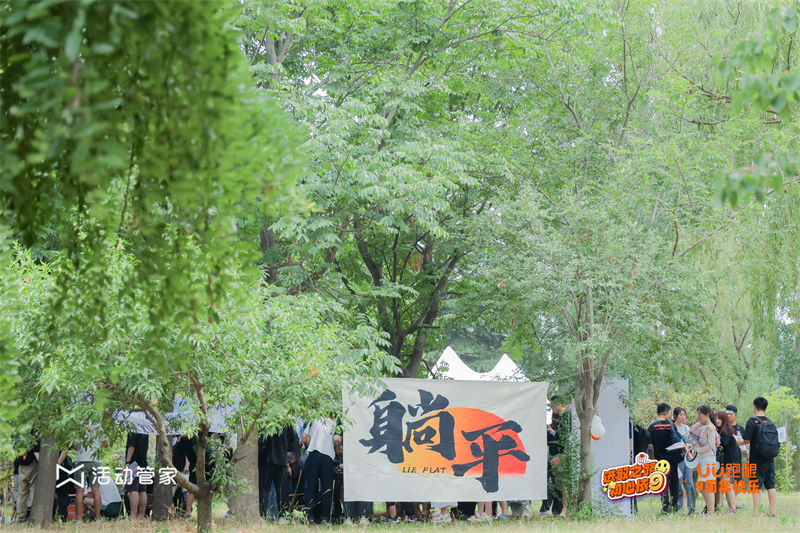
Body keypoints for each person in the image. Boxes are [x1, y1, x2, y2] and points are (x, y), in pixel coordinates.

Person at [742, 396, 778, 517]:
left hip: (756, 459)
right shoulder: (771, 422)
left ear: (754, 407)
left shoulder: (752, 421)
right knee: (771, 485)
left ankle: (756, 512)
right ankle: (772, 512)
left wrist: (737, 442)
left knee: (755, 485)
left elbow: (746, 440)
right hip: (770, 458)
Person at [302, 417, 338, 524]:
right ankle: (324, 517)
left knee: (310, 486)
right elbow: (337, 439)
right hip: (328, 455)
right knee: (327, 488)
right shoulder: (334, 421)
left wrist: (308, 441)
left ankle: (310, 517)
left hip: (314, 452)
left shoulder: (313, 418)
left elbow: (304, 438)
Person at [647, 402, 681, 513]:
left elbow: (649, 445)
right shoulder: (671, 425)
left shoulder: (652, 427)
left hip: (659, 459)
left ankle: (665, 507)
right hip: (672, 458)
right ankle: (674, 506)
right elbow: (678, 440)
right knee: (674, 482)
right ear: (666, 412)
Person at [259, 425, 298, 519]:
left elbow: (293, 443)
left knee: (267, 490)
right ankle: (281, 516)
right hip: (277, 460)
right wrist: (289, 463)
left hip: (269, 461)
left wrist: (289, 464)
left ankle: (264, 515)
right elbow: (293, 443)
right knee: (280, 491)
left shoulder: (266, 422)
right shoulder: (286, 422)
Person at [74, 425, 108, 521]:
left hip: (81, 461)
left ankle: (78, 518)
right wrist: (96, 446)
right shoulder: (99, 427)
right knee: (96, 490)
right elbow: (106, 444)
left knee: (79, 490)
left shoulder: (78, 426)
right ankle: (97, 517)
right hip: (95, 461)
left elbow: (74, 445)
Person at [688, 405, 717, 514]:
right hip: (703, 459)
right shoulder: (703, 426)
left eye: (700, 414)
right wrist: (700, 422)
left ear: (707, 414)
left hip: (708, 459)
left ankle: (711, 512)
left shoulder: (710, 428)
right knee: (702, 486)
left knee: (707, 486)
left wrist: (698, 450)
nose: (698, 416)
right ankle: (709, 510)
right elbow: (691, 430)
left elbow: (711, 445)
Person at [673, 407, 696, 514]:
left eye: (684, 415)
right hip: (677, 459)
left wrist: (690, 445)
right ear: (675, 416)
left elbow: (692, 441)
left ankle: (692, 509)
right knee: (678, 484)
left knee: (689, 484)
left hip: (687, 458)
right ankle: (679, 508)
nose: (683, 417)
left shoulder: (687, 428)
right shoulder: (672, 427)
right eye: (680, 415)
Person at [714, 409, 737, 513]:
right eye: (716, 418)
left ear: (723, 419)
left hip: (727, 462)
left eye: (719, 418)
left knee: (727, 485)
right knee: (722, 485)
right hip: (722, 462)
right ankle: (724, 507)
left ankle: (733, 508)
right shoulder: (720, 430)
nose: (717, 420)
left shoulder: (726, 431)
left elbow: (724, 443)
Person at [124, 431, 149, 520]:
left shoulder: (133, 430)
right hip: (143, 463)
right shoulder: (145, 430)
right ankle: (141, 515)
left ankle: (133, 516)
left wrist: (127, 462)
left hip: (133, 464)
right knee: (142, 490)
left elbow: (131, 446)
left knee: (133, 489)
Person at [15, 442, 38, 522]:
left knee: (22, 493)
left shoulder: (18, 437)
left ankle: (20, 517)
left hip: (21, 466)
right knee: (33, 491)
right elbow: (36, 451)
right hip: (32, 464)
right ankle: (35, 515)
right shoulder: (33, 438)